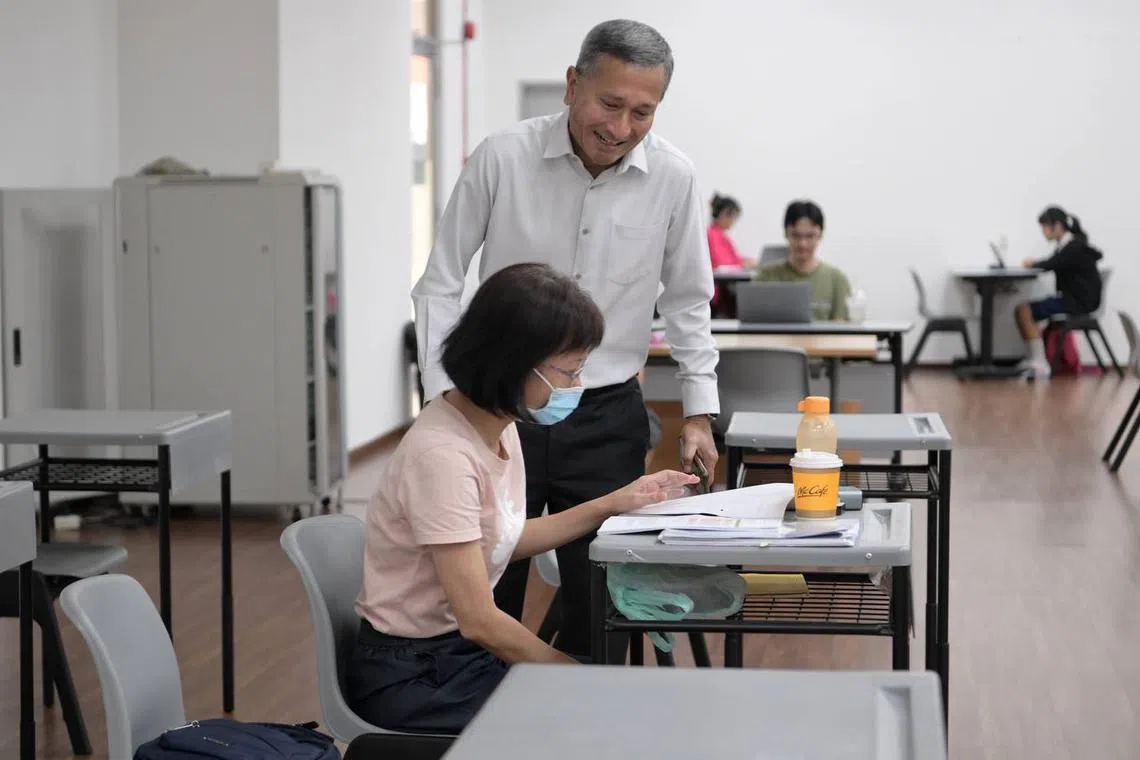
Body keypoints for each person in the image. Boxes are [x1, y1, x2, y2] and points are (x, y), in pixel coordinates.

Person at [411, 19, 720, 660]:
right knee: (490, 581)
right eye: (610, 105)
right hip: (498, 410)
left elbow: (688, 297)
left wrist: (697, 412)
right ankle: (487, 725)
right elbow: (440, 283)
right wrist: (448, 400)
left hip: (605, 411)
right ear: (573, 84)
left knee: (602, 590)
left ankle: (590, 724)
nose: (622, 127)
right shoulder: (502, 157)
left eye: (643, 112)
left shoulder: (674, 177)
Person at [350, 263, 697, 734]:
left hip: (454, 655)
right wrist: (576, 677)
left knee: (613, 707)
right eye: (570, 372)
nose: (578, 387)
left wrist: (614, 501)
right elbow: (479, 621)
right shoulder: (443, 457)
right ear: (513, 362)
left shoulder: (497, 425)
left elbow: (503, 540)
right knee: (605, 719)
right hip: (417, 677)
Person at [1015, 206, 1104, 378]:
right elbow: (1054, 262)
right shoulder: (1071, 245)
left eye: (1045, 227)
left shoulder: (1073, 247)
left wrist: (1032, 264)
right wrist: (1035, 263)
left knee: (1023, 310)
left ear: (1057, 226)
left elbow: (1050, 264)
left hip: (1078, 303)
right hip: (1078, 300)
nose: (1043, 232)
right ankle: (1036, 359)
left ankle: (1039, 363)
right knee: (1024, 309)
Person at [756, 200, 852, 321]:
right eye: (796, 235)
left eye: (810, 236)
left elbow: (841, 329)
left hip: (824, 340)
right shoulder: (765, 277)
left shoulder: (837, 280)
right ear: (786, 234)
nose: (803, 244)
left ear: (820, 235)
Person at [708, 193, 754, 316]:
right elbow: (721, 264)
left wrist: (745, 261)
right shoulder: (712, 235)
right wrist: (742, 264)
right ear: (725, 214)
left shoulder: (720, 235)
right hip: (717, 293)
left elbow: (732, 259)